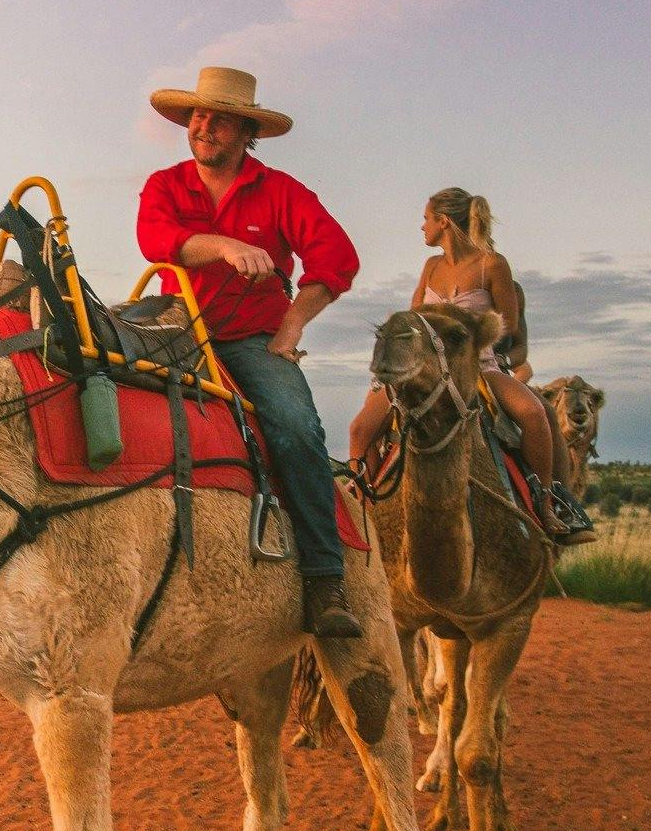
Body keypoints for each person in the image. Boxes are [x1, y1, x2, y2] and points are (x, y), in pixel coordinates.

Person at [136, 66, 364, 638]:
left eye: (219, 119)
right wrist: (225, 246)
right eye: (198, 116)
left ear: (245, 132)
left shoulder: (283, 192)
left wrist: (290, 329)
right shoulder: (166, 184)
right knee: (102, 388)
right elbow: (156, 240)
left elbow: (337, 258)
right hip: (175, 331)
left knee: (295, 426)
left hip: (251, 339)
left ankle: (323, 577)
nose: (204, 127)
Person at [345, 187, 595, 543]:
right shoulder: (430, 268)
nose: (422, 228)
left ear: (443, 222)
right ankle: (364, 508)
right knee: (359, 430)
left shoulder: (492, 265)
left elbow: (507, 330)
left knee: (535, 414)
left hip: (478, 366)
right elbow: (415, 321)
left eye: (426, 219)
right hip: (426, 370)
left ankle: (547, 502)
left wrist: (501, 361)